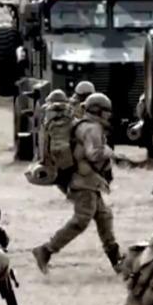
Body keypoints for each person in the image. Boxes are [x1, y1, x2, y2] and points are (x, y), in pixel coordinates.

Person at [32, 92, 122, 274]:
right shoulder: (92, 128)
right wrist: (111, 152)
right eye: (106, 111)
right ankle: (46, 250)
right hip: (84, 182)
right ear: (98, 111)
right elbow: (94, 154)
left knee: (104, 217)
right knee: (81, 220)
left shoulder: (83, 125)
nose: (109, 115)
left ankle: (117, 260)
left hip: (88, 181)